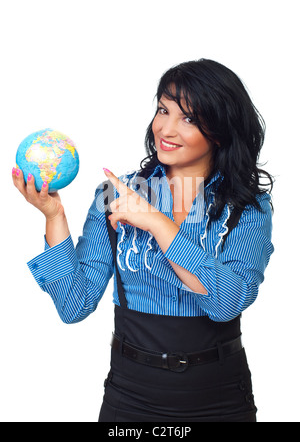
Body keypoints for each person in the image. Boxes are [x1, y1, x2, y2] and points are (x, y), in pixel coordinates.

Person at [12, 59, 274, 422]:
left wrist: (154, 221)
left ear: (220, 129)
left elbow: (227, 302)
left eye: (189, 118)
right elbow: (74, 304)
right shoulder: (117, 193)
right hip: (130, 397)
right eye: (163, 110)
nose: (166, 129)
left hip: (219, 399)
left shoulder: (246, 205)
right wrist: (54, 216)